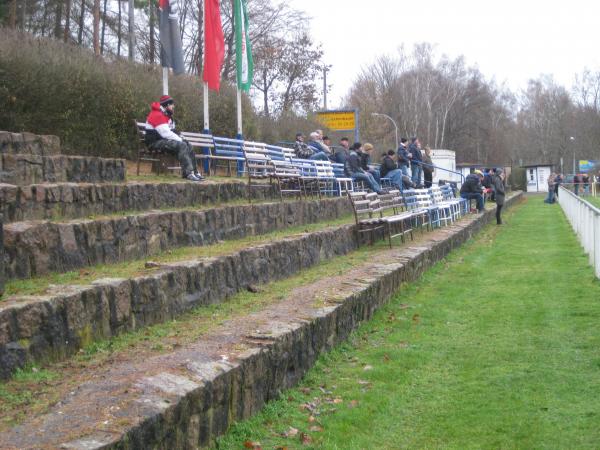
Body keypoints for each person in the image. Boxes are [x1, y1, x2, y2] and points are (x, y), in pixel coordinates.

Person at [144, 95, 203, 181]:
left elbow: (173, 131)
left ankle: (194, 172)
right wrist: (181, 140)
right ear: (167, 105)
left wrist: (183, 138)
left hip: (162, 140)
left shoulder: (166, 116)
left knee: (188, 145)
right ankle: (188, 173)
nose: (173, 106)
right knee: (182, 145)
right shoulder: (157, 115)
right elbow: (166, 133)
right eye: (172, 104)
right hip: (154, 143)